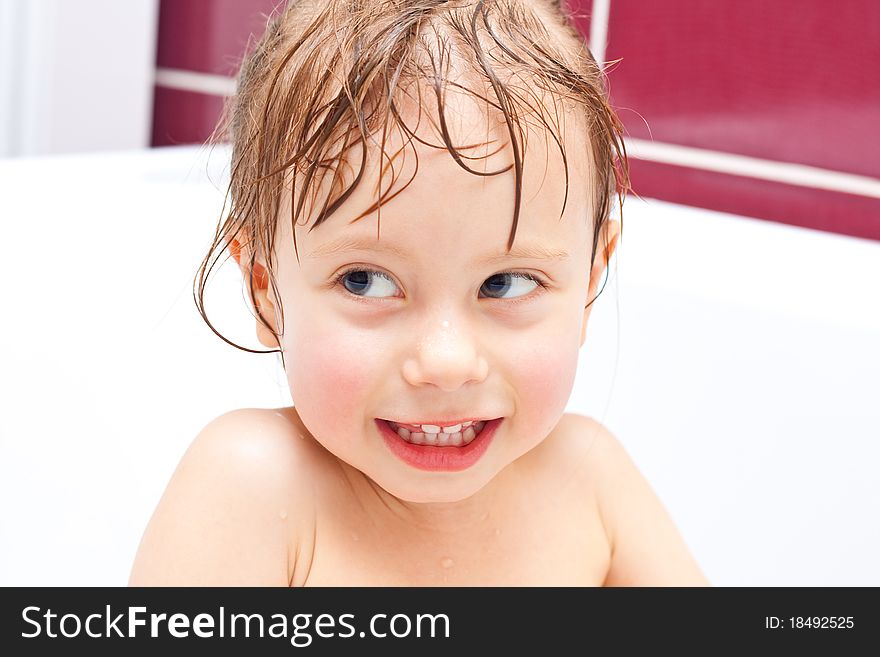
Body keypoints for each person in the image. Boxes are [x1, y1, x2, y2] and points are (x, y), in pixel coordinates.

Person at [129, 0, 709, 586]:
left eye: (504, 284)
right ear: (266, 291)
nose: (446, 363)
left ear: (587, 284)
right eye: (366, 281)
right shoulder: (253, 486)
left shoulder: (591, 482)